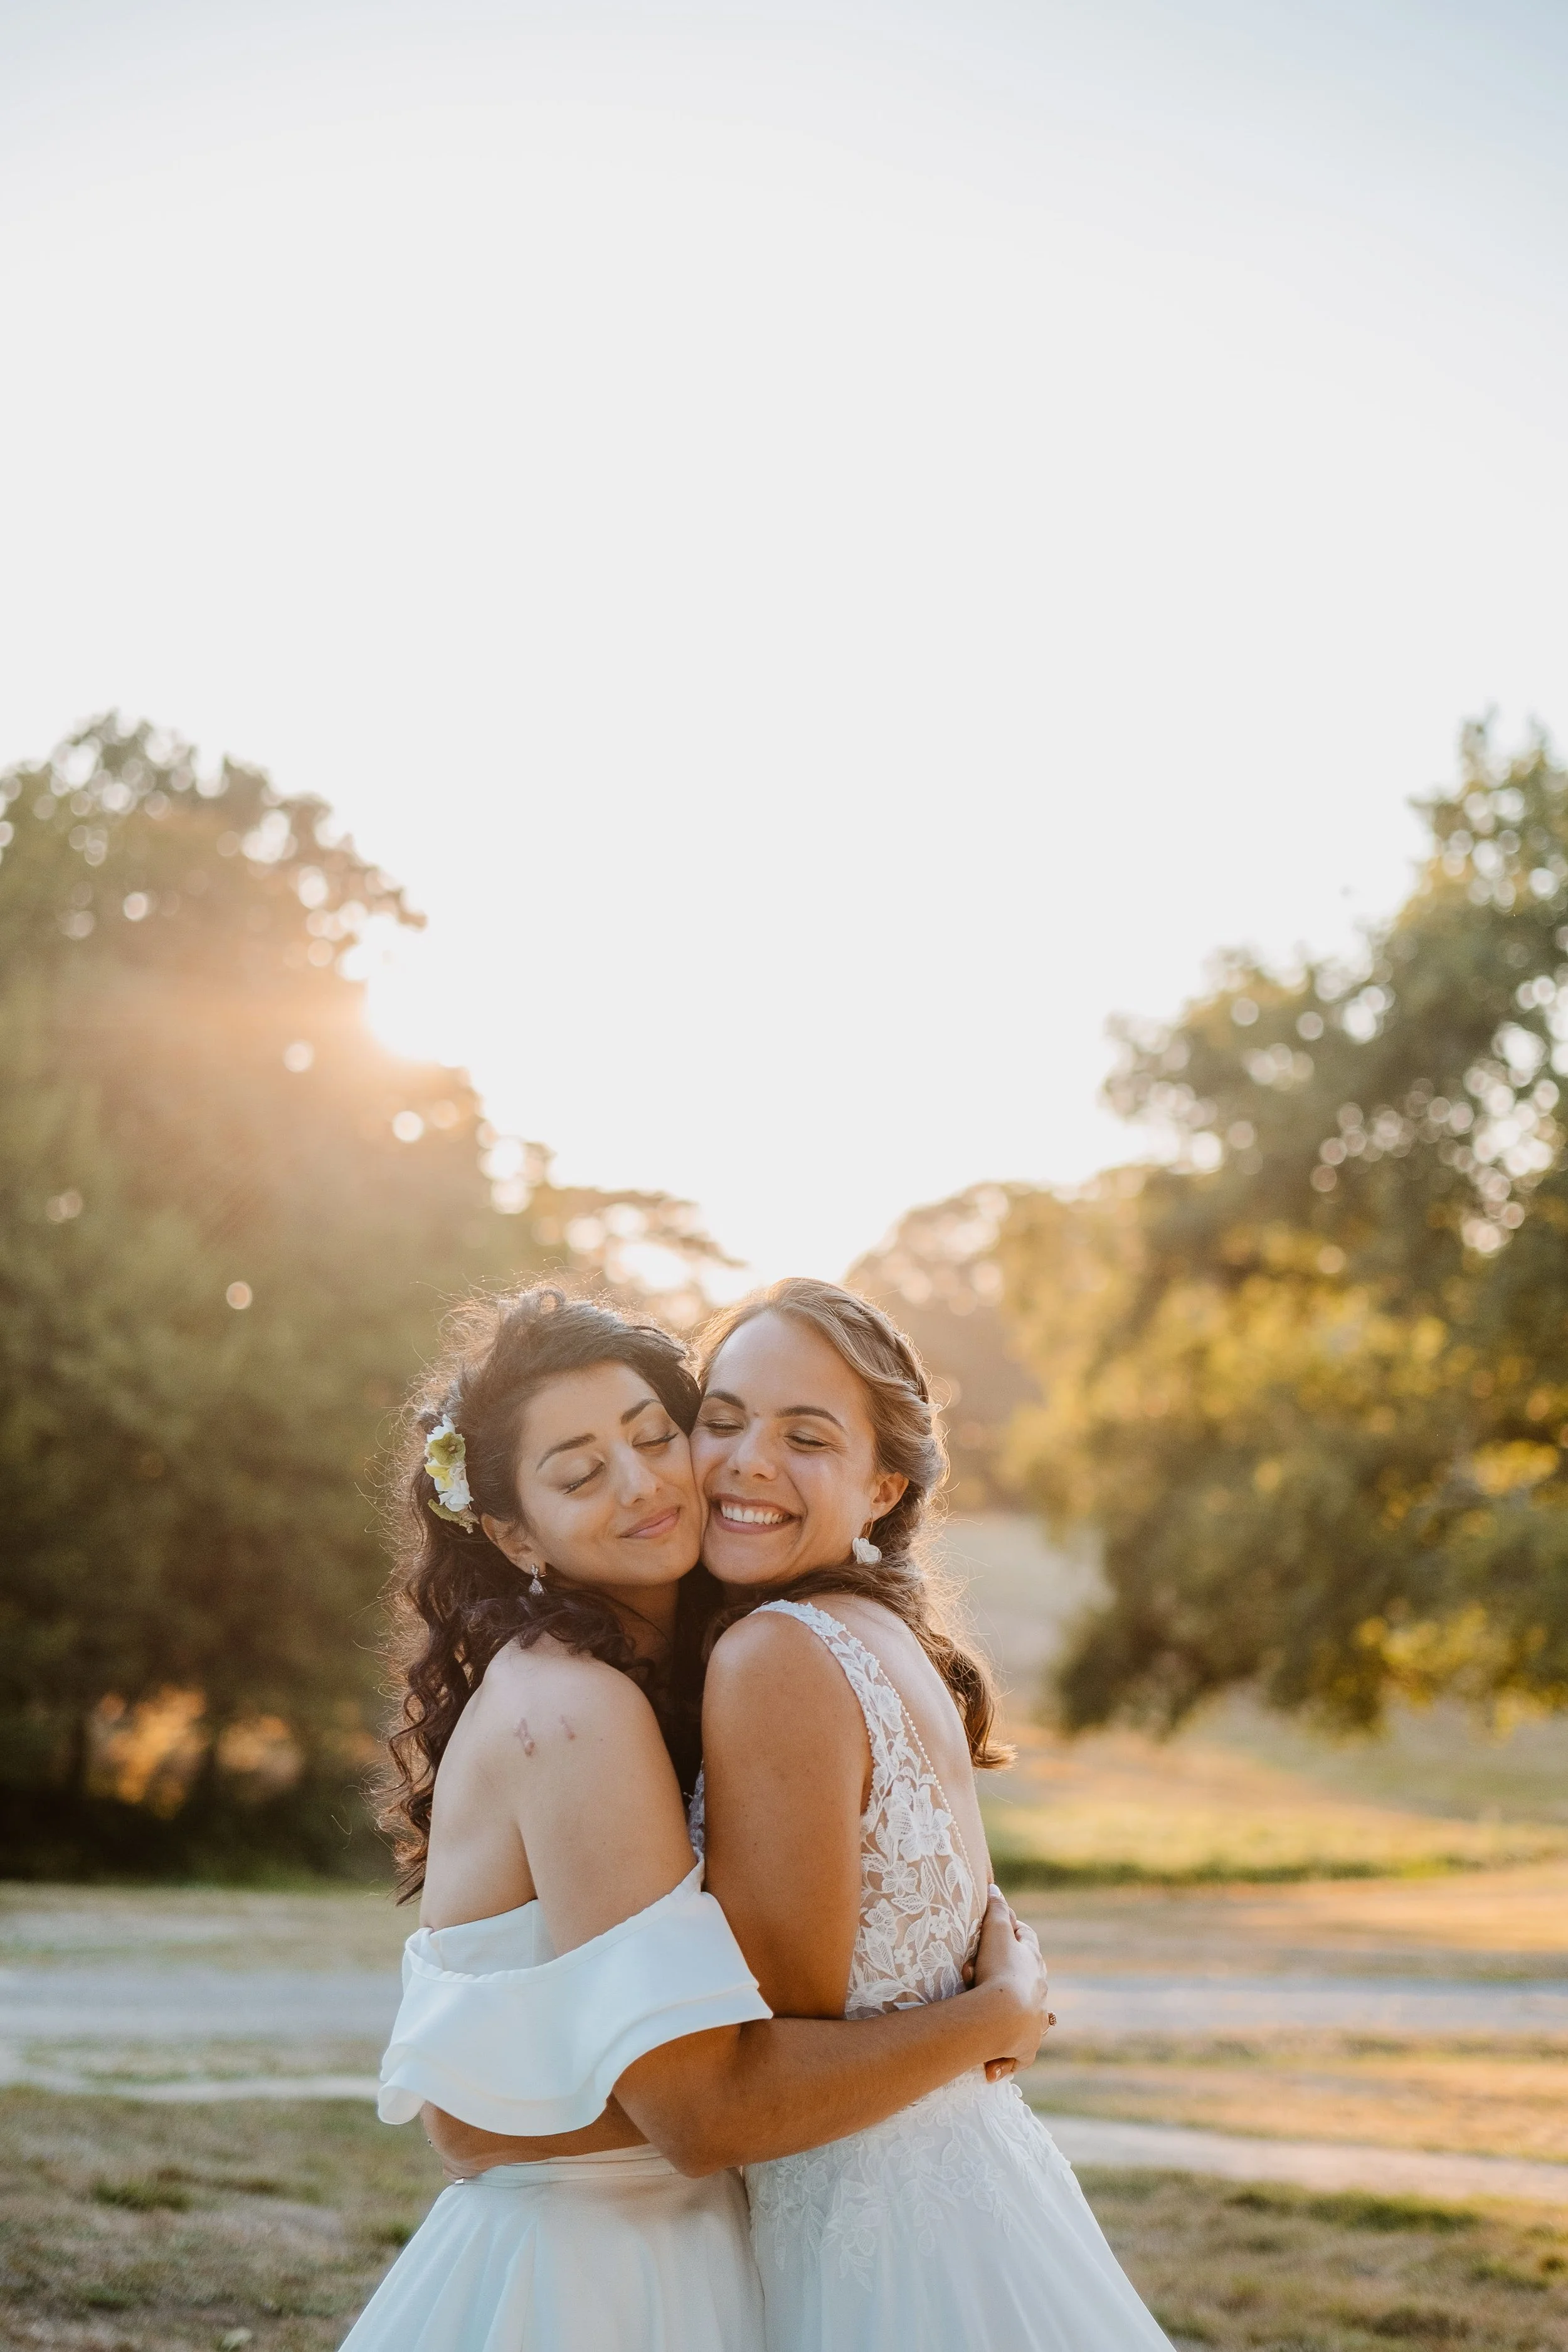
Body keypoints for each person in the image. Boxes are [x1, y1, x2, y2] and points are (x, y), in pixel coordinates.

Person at [340, 1286, 1047, 2352]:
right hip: (595, 2279)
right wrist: (988, 2020)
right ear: (509, 1530)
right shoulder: (571, 1708)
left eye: (655, 1433)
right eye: (579, 1473)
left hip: (692, 2244)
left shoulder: (701, 1673)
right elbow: (700, 2110)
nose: (644, 1484)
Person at [691, 1278, 1174, 2352]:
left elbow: (766, 2076)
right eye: (721, 1418)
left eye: (805, 1436)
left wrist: (997, 2015)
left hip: (872, 2250)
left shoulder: (775, 1653)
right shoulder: (883, 1638)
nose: (748, 1459)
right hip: (975, 2196)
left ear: (882, 1485)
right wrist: (996, 2011)